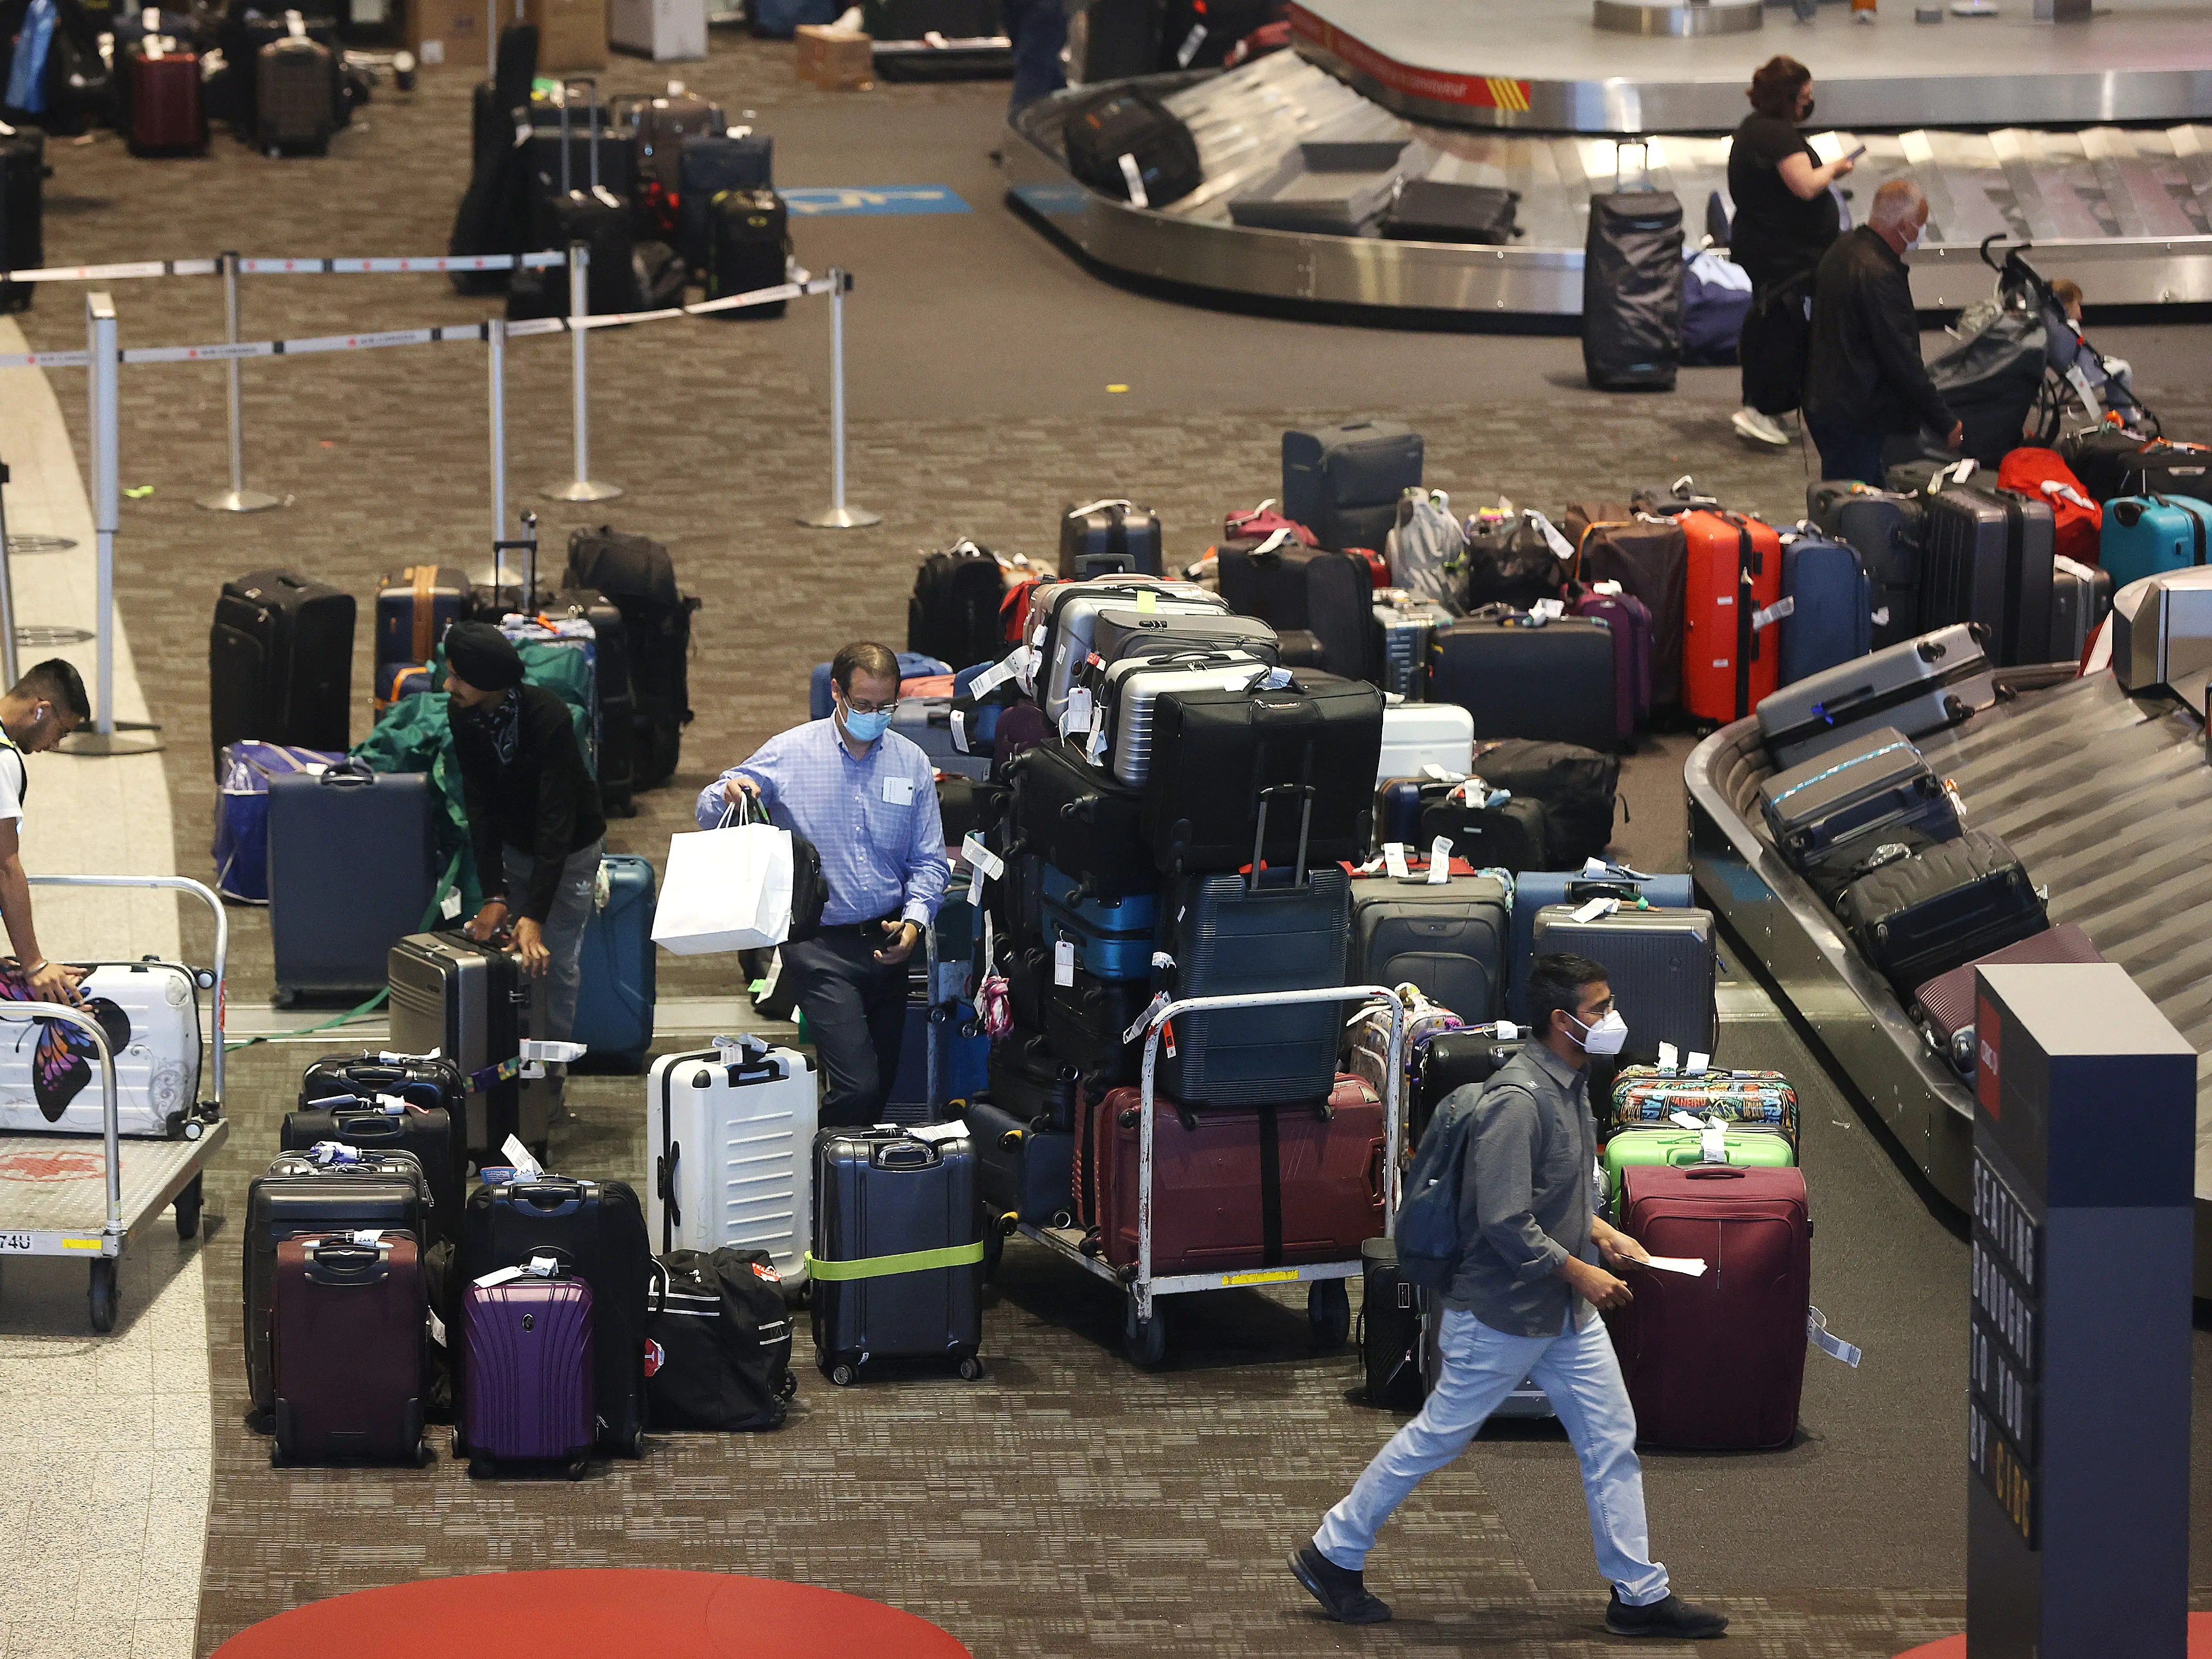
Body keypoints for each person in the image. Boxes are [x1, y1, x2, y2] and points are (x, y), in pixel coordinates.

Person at [1290, 953, 1728, 1642]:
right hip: (1497, 1316)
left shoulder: (1571, 1085)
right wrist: (1580, 1273)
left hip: (1558, 1315)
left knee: (1610, 1438)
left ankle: (1638, 1593)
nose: (1612, 1020)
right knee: (1434, 1438)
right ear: (1562, 1021)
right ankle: (1331, 1550)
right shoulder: (1518, 1101)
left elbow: (1554, 1195)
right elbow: (1502, 1219)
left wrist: (1604, 1232)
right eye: (1599, 1007)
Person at [700, 640, 948, 1125]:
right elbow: (710, 808)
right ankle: (816, 1171)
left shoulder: (912, 762)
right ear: (836, 692)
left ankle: (842, 1183)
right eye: (862, 705)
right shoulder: (791, 752)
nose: (874, 716)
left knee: (881, 1086)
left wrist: (915, 923)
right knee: (858, 1084)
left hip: (887, 941)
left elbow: (929, 862)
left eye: (885, 706)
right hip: (817, 945)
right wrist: (729, 791)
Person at [444, 622, 606, 1062]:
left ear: (489, 680)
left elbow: (558, 821)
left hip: (570, 849)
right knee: (510, 960)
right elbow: (479, 806)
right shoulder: (463, 713)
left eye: (458, 676)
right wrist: (496, 892)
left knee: (552, 966)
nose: (448, 685)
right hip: (516, 846)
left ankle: (547, 1087)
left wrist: (534, 913)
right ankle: (507, 1077)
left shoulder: (549, 717)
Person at [1803, 178, 1964, 486]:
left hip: (1827, 402)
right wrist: (1943, 420)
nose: (1921, 233)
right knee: (1861, 510)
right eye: (1920, 225)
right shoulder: (1879, 274)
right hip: (1858, 413)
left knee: (1843, 497)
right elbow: (1900, 358)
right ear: (1905, 225)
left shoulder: (1842, 250)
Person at [1727, 56, 1851, 451]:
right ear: (1790, 97)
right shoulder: (1776, 136)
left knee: (1776, 320)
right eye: (1805, 95)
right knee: (1779, 324)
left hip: (1771, 247)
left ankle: (1767, 401)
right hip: (1780, 254)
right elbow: (1805, 185)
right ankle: (1761, 404)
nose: (1808, 102)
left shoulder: (1758, 130)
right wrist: (1835, 169)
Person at [0, 660, 89, 1006]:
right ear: (41, 711)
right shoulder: (3, 761)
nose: (55, 744)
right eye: (62, 731)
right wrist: (34, 964)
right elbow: (5, 867)